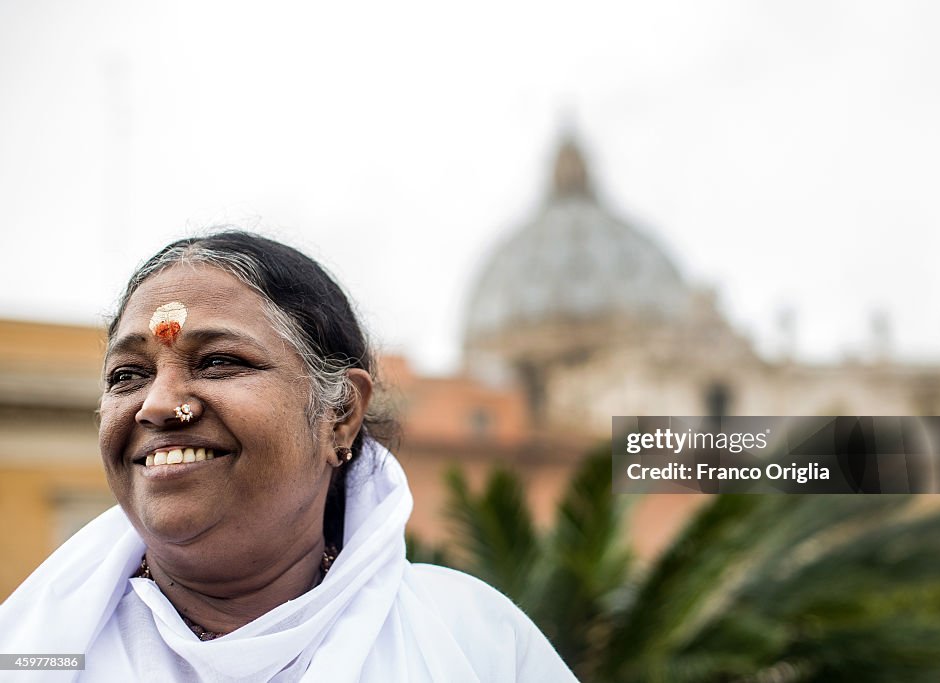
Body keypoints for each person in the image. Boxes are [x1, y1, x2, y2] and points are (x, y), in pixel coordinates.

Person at [0, 231, 579, 682]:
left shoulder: (477, 644)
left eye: (219, 362)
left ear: (340, 414)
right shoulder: (33, 653)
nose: (157, 406)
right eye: (128, 375)